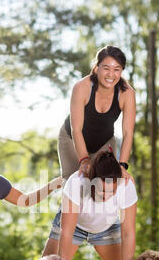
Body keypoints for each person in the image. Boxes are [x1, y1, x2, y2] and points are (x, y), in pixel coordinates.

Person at [43, 151, 137, 260]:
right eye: (102, 190)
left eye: (112, 191)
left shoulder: (126, 185)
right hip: (73, 227)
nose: (107, 196)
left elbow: (128, 233)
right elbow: (67, 232)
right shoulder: (77, 182)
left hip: (106, 228)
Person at [58, 45, 136, 182]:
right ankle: (64, 190)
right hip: (72, 138)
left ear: (121, 71)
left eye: (116, 69)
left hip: (103, 143)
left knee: (107, 183)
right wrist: (84, 161)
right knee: (75, 183)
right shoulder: (81, 88)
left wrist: (122, 165)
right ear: (96, 67)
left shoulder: (127, 94)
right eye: (106, 68)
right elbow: (76, 129)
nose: (111, 74)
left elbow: (128, 133)